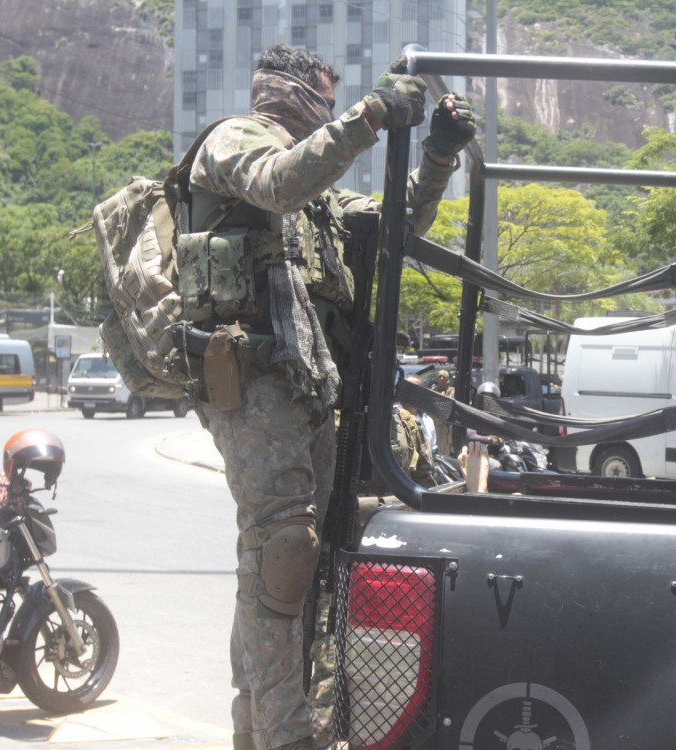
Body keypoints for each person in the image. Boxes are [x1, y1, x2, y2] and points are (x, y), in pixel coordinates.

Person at [188, 45, 476, 750]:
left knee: (289, 563)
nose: (333, 100)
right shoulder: (238, 141)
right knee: (284, 552)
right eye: (329, 90)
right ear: (294, 90)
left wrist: (437, 159)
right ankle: (285, 738)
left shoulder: (321, 188)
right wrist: (372, 112)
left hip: (309, 384)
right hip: (255, 381)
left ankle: (258, 729)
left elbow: (391, 229)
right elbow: (278, 182)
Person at [431, 368, 455, 455]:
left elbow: (450, 408)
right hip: (433, 424)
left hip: (445, 426)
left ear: (447, 379)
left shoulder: (452, 392)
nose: (441, 379)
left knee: (443, 451)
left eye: (444, 377)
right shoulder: (433, 391)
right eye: (439, 377)